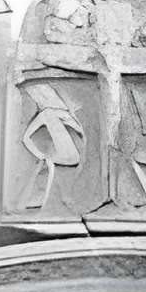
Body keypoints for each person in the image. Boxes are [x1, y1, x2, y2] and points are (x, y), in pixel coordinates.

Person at [20, 82, 87, 210]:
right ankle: (44, 200)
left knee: (50, 164)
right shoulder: (49, 114)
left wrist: (41, 156)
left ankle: (44, 200)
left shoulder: (55, 113)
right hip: (68, 156)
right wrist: (41, 155)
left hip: (73, 155)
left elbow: (81, 132)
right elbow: (25, 138)